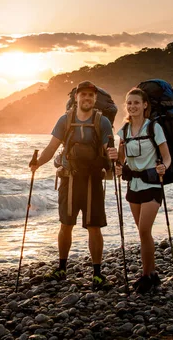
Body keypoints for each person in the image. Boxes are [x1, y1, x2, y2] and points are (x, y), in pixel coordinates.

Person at [30, 80, 118, 290]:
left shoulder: (102, 121)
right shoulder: (65, 120)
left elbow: (108, 151)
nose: (87, 98)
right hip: (69, 179)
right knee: (66, 224)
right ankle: (62, 268)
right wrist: (38, 163)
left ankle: (97, 273)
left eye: (90, 96)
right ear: (76, 98)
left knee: (94, 227)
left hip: (93, 180)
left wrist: (115, 160)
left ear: (95, 99)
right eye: (83, 95)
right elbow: (52, 148)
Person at [116, 87, 171, 294]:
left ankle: (146, 276)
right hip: (133, 186)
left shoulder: (153, 128)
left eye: (136, 103)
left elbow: (166, 156)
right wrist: (115, 160)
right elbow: (120, 160)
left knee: (144, 230)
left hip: (152, 185)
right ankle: (153, 273)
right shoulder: (124, 131)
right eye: (129, 103)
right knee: (142, 233)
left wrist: (163, 167)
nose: (132, 106)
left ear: (145, 105)